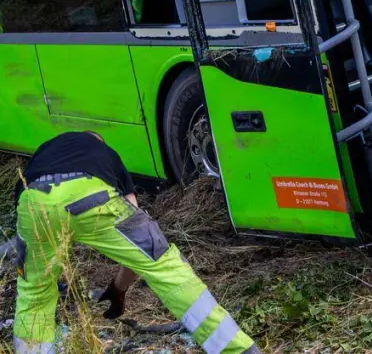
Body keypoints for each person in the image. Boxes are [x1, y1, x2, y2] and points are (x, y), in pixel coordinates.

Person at [13, 131, 259, 354]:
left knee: (34, 290)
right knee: (165, 267)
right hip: (89, 193)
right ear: (99, 141)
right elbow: (136, 236)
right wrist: (119, 288)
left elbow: (21, 199)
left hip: (32, 203)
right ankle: (236, 350)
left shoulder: (45, 150)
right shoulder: (105, 152)